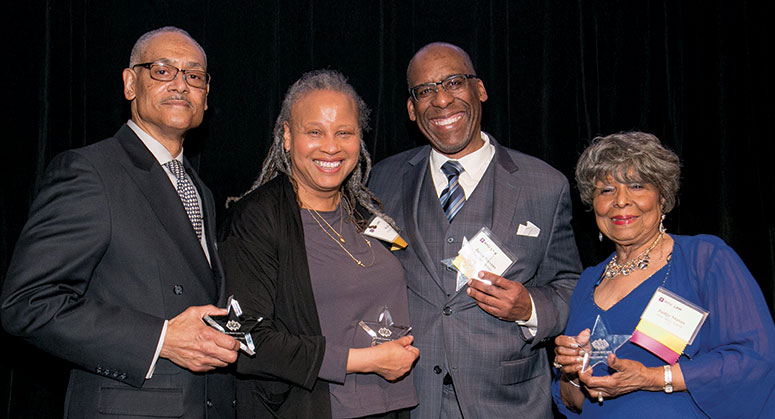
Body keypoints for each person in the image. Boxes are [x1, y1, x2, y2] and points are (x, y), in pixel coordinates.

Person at [1, 26, 239, 418]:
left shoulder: (200, 190)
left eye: (194, 76)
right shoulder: (90, 171)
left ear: (206, 96)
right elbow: (28, 302)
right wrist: (160, 339)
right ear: (131, 83)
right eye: (163, 70)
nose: (181, 84)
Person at [368, 42, 582, 418]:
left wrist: (529, 307)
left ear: (479, 90)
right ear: (411, 109)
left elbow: (568, 285)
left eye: (453, 82)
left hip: (507, 404)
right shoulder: (381, 180)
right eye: (425, 90)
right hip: (407, 401)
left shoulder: (545, 185)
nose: (441, 100)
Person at [218, 69, 419, 419]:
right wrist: (364, 361)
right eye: (314, 132)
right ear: (286, 136)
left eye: (345, 132)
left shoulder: (363, 212)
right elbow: (246, 339)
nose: (331, 146)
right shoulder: (257, 218)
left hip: (390, 407)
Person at [552, 131, 775, 417]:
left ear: (662, 198)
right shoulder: (588, 281)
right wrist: (572, 372)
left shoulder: (704, 258)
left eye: (636, 186)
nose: (620, 200)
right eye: (606, 190)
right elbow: (575, 402)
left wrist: (655, 377)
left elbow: (755, 358)